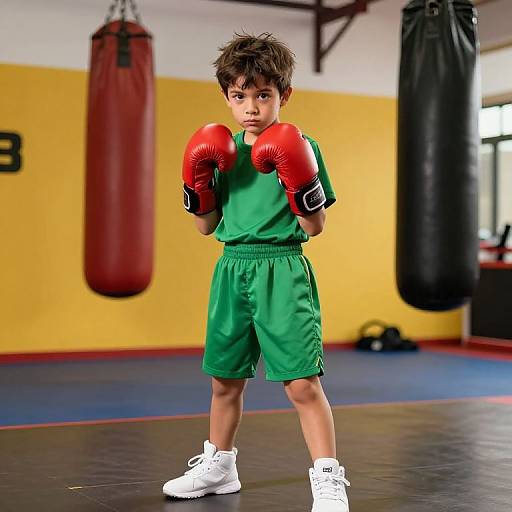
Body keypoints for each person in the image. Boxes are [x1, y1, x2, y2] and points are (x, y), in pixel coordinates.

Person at [163, 32, 350, 512]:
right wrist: (197, 182)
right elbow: (206, 227)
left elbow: (316, 224)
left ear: (283, 96)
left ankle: (328, 479)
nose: (251, 107)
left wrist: (298, 178)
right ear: (227, 97)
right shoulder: (218, 151)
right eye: (240, 96)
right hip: (232, 270)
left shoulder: (301, 146)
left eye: (263, 95)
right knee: (224, 379)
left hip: (283, 268)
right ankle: (219, 465)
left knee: (302, 383)